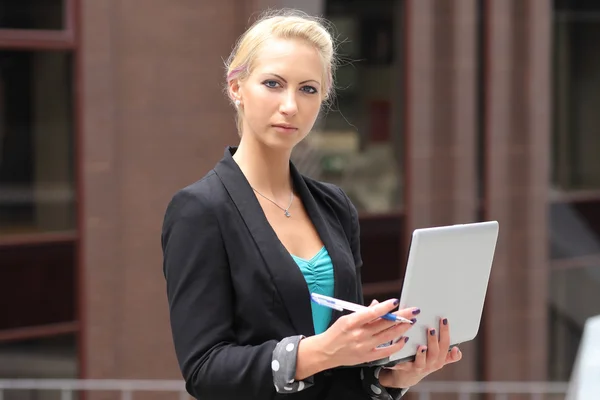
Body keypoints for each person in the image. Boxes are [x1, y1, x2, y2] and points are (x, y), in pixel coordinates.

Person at [161, 9, 462, 400]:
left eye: (308, 89)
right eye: (273, 83)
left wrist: (390, 378)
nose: (291, 105)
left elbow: (344, 369)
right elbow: (204, 371)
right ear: (236, 87)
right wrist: (319, 351)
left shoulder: (334, 206)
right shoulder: (200, 210)